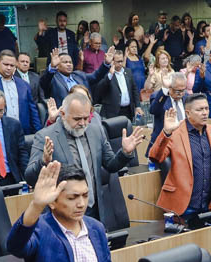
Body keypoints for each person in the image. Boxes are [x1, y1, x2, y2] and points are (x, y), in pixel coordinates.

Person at [26, 92, 141, 229]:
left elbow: (111, 165)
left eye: (86, 118)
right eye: (77, 119)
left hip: (94, 210)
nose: (82, 123)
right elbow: (30, 177)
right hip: (63, 214)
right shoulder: (45, 136)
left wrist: (125, 153)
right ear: (62, 114)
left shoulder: (96, 130)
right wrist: (43, 161)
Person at [149, 93, 211, 229]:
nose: (205, 113)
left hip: (207, 204)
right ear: (188, 113)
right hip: (181, 206)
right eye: (199, 110)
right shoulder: (175, 132)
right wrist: (166, 133)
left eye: (206, 108)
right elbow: (156, 157)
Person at [89, 47, 137, 121]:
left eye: (121, 61)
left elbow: (134, 89)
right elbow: (99, 90)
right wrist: (109, 76)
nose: (120, 64)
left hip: (128, 111)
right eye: (118, 61)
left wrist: (138, 106)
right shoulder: (106, 73)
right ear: (112, 61)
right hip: (112, 113)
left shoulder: (128, 72)